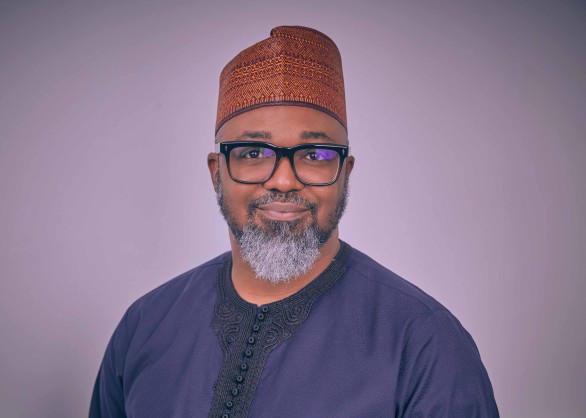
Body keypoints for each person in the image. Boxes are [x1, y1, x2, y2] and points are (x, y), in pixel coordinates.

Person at [90, 26, 499, 417]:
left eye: (315, 155)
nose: (283, 181)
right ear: (217, 172)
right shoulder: (145, 324)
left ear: (344, 174)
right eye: (253, 153)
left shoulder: (424, 343)